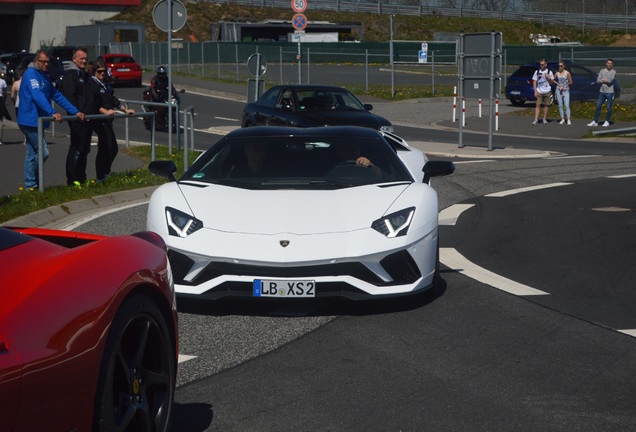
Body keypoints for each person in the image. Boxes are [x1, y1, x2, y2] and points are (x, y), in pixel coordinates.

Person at [17, 49, 84, 190]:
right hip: (30, 120)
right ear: (36, 61)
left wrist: (75, 111)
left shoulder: (44, 76)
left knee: (32, 152)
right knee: (43, 152)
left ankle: (31, 185)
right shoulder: (31, 74)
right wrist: (52, 112)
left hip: (38, 120)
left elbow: (57, 95)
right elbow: (37, 95)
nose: (46, 64)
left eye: (48, 62)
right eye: (43, 62)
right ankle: (32, 184)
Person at [88, 59, 135, 182]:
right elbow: (93, 103)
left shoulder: (106, 84)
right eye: (99, 71)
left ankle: (105, 172)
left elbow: (113, 99)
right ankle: (101, 175)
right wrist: (105, 111)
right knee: (107, 148)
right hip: (100, 120)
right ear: (94, 72)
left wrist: (125, 109)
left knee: (111, 148)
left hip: (108, 121)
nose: (102, 74)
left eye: (104, 71)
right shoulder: (92, 84)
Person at [59, 47, 95, 185]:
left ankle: (81, 177)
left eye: (86, 58)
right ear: (74, 59)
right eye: (81, 58)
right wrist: (76, 113)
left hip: (88, 119)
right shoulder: (70, 75)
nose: (84, 61)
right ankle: (72, 179)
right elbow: (70, 97)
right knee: (76, 149)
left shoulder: (85, 75)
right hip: (77, 119)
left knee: (85, 149)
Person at [587, 59, 616, 127]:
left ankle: (607, 121)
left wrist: (603, 80)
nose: (609, 65)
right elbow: (598, 80)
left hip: (609, 92)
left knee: (608, 107)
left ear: (612, 65)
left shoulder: (613, 72)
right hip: (602, 91)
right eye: (608, 63)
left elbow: (610, 80)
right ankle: (595, 121)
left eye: (611, 63)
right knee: (598, 106)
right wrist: (602, 80)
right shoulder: (602, 71)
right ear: (606, 64)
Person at [531, 59, 554, 125]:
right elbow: (534, 81)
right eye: (540, 64)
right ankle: (536, 120)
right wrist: (535, 91)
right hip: (539, 91)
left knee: (546, 105)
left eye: (543, 64)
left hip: (547, 91)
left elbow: (552, 83)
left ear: (546, 64)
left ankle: (544, 119)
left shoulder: (549, 72)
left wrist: (549, 78)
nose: (541, 66)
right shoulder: (537, 71)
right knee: (538, 105)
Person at [554, 61, 573, 125]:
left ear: (564, 66)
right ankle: (562, 118)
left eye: (561, 66)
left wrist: (565, 84)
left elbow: (571, 82)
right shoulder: (557, 73)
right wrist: (556, 83)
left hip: (565, 90)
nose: (560, 67)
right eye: (559, 66)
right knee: (560, 105)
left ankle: (568, 118)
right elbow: (553, 80)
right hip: (559, 90)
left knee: (566, 105)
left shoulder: (567, 73)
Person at [0, 74, 11, 144]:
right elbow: (5, 92)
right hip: (0, 99)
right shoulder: (2, 81)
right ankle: (0, 139)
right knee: (0, 120)